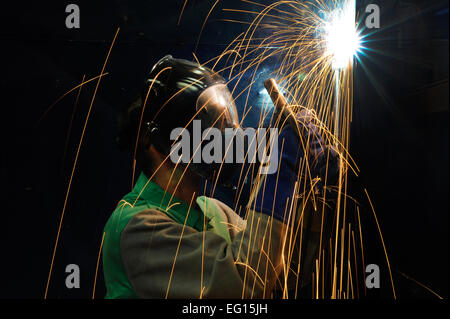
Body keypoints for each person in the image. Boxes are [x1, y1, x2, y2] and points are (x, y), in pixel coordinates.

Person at [102, 55, 338, 299]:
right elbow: (245, 281)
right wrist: (279, 165)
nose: (224, 138)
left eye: (222, 125)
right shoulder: (134, 228)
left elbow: (284, 269)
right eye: (208, 127)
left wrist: (314, 192)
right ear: (167, 142)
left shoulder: (215, 212)